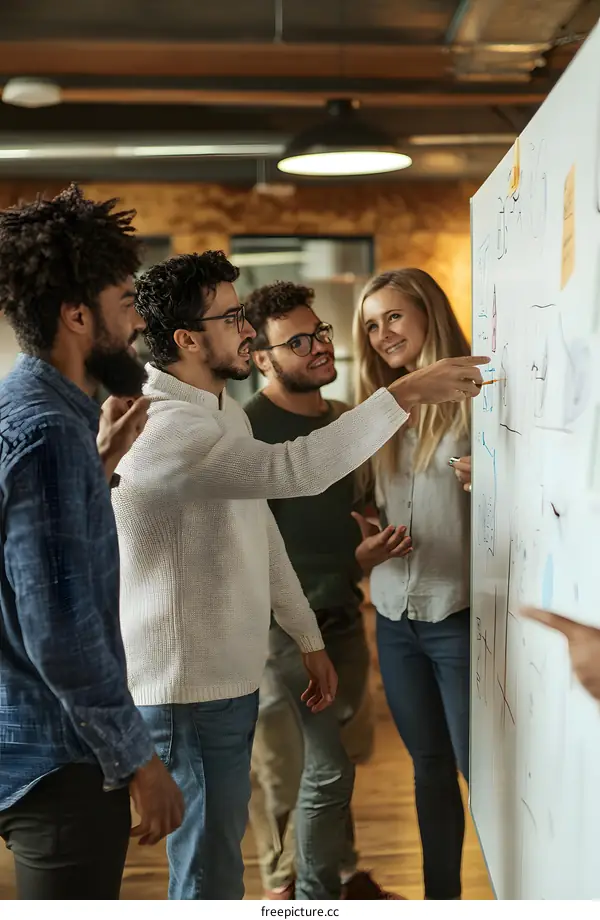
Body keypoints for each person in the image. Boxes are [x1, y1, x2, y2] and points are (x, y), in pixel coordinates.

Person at [111, 251, 489, 900]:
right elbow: (294, 473)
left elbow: (259, 531)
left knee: (223, 867)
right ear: (187, 339)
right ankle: (306, 898)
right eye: (233, 317)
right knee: (207, 872)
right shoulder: (170, 425)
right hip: (185, 690)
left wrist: (310, 637)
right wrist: (401, 394)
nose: (248, 331)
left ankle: (315, 892)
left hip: (223, 678)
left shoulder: (216, 411)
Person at [0, 185, 183, 901]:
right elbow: (61, 632)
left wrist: (99, 464)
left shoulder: (32, 412)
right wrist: (140, 760)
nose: (137, 323)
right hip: (59, 762)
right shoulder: (47, 433)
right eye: (126, 303)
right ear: (78, 316)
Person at [244, 281, 410, 900]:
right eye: (298, 341)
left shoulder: (345, 421)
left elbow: (357, 511)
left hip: (342, 613)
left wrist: (364, 549)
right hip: (279, 633)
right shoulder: (246, 430)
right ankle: (287, 893)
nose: (319, 348)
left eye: (321, 333)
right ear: (261, 357)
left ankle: (340, 875)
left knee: (337, 763)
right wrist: (351, 555)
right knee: (293, 773)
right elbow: (252, 548)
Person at [352, 268, 473, 901]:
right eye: (371, 325)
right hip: (396, 620)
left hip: (458, 615)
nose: (381, 334)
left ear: (428, 313)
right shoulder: (378, 412)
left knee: (480, 768)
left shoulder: (478, 395)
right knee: (428, 771)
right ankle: (442, 901)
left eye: (393, 317)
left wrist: (495, 475)